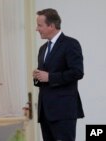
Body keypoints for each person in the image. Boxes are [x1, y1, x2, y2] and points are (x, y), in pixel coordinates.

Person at [33, 8, 84, 141]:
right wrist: (37, 77)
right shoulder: (42, 49)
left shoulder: (70, 44)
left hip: (63, 112)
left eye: (40, 25)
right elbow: (43, 78)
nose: (36, 29)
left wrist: (49, 77)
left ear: (51, 25)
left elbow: (77, 72)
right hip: (45, 112)